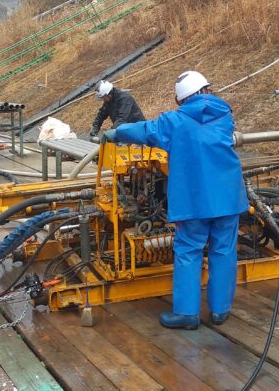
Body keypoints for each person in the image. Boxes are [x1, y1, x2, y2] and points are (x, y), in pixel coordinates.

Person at [101, 71, 248, 329]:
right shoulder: (225, 113)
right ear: (206, 90)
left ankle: (187, 314)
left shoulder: (175, 121)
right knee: (224, 251)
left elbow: (147, 130)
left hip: (194, 199)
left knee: (189, 251)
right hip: (227, 195)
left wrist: (118, 132)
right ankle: (220, 311)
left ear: (182, 99)